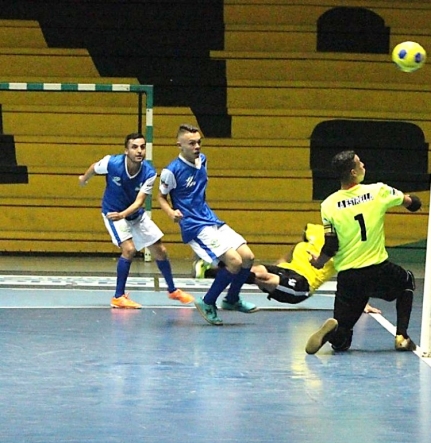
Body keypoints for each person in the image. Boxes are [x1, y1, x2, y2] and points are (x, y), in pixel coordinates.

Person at [304, 150, 422, 354]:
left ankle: (334, 333)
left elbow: (331, 245)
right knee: (406, 282)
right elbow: (413, 203)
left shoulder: (328, 205)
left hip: (349, 277)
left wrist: (319, 262)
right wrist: (412, 201)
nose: (363, 165)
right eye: (360, 163)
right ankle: (402, 336)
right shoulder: (378, 191)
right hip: (378, 270)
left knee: (342, 342)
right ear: (353, 172)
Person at [78, 133, 194, 309]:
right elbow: (94, 167)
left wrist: (124, 214)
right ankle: (118, 297)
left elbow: (140, 201)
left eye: (142, 147)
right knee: (129, 249)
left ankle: (173, 290)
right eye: (134, 147)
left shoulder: (149, 172)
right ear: (126, 150)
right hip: (112, 213)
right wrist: (84, 178)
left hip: (132, 214)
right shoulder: (112, 163)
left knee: (160, 250)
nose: (139, 151)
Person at [157, 124, 257, 325]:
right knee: (234, 262)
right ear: (179, 145)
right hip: (194, 225)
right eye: (191, 143)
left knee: (248, 257)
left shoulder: (202, 160)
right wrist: (170, 212)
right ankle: (207, 302)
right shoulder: (171, 171)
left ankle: (232, 299)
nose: (197, 147)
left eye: (199, 142)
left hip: (210, 218)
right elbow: (160, 196)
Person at [192, 223, 380, 313]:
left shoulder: (344, 249)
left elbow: (352, 277)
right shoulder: (317, 230)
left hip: (302, 285)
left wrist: (361, 302)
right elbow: (294, 248)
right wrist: (280, 263)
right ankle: (227, 294)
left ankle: (211, 271)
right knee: (257, 270)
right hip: (287, 269)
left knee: (262, 278)